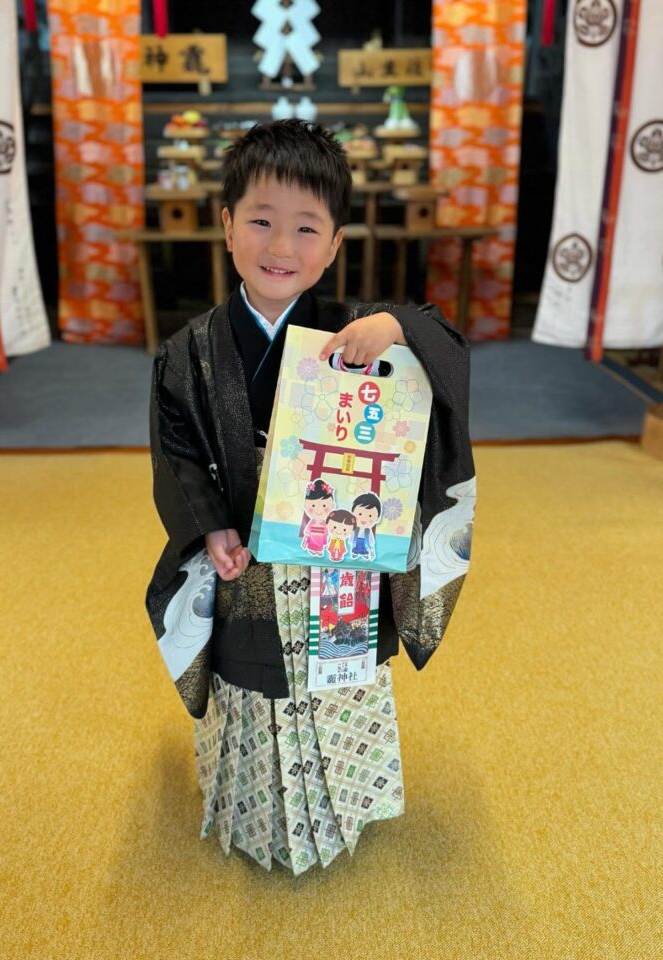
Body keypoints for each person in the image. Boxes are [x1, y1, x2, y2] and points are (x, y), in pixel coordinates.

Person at [146, 120, 476, 876]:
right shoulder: (190, 351)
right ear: (226, 225)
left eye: (306, 228)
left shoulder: (359, 330)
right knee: (254, 680)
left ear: (332, 246)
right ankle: (255, 814)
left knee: (338, 678)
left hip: (339, 565)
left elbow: (442, 345)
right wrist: (209, 529)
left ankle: (342, 811)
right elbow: (178, 450)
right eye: (260, 221)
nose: (281, 247)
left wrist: (397, 327)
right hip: (251, 562)